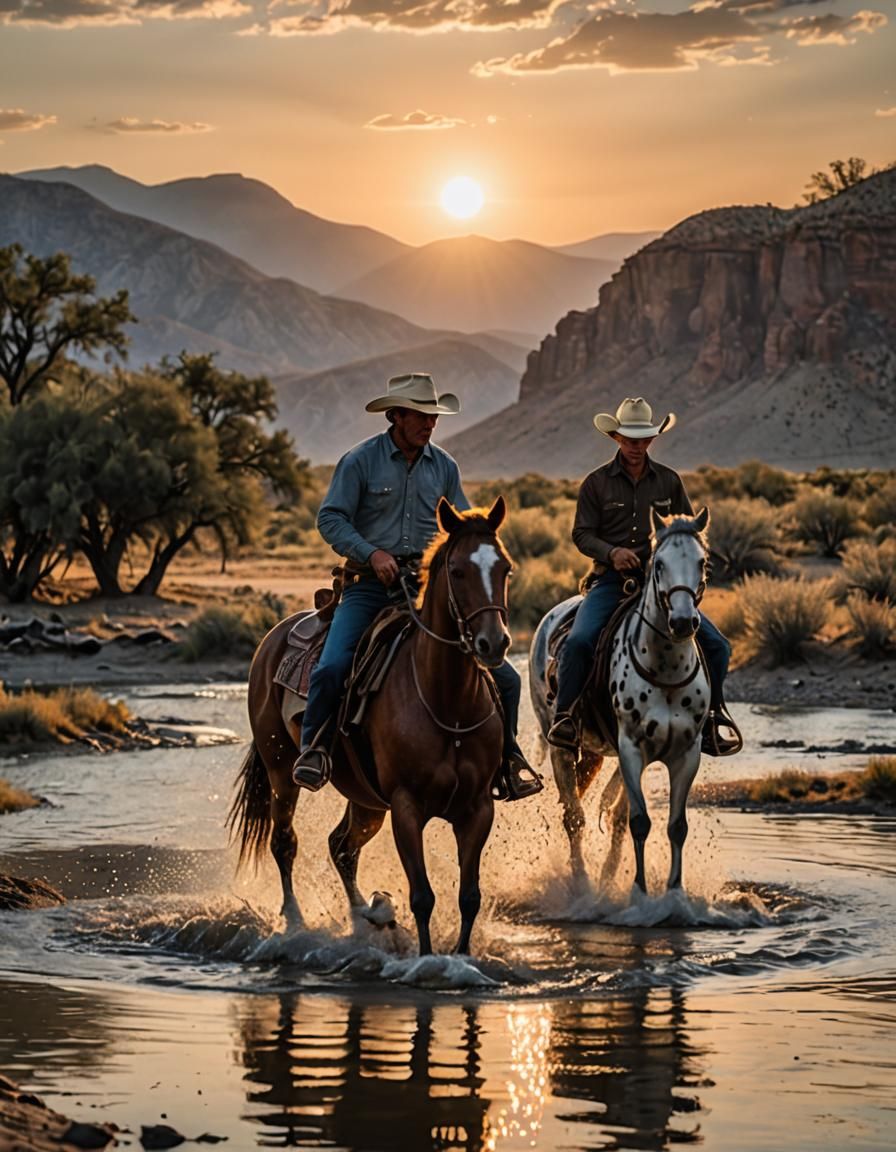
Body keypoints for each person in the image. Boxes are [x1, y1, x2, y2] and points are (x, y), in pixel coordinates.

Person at [292, 371, 543, 800]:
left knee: (508, 680)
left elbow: (462, 525)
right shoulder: (360, 461)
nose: (430, 424)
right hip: (368, 585)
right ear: (396, 416)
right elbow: (330, 518)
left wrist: (480, 536)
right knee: (333, 666)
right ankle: (313, 750)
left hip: (425, 589)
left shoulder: (444, 466)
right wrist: (372, 553)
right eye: (421, 416)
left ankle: (506, 761)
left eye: (433, 416)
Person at [546, 396, 741, 756]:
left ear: (652, 439)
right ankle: (566, 716)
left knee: (718, 645)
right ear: (617, 438)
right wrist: (611, 553)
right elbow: (582, 534)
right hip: (609, 583)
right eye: (630, 439)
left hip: (662, 587)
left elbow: (687, 533)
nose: (637, 446)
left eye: (644, 439)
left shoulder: (668, 481)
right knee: (578, 642)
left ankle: (714, 717)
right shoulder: (596, 483)